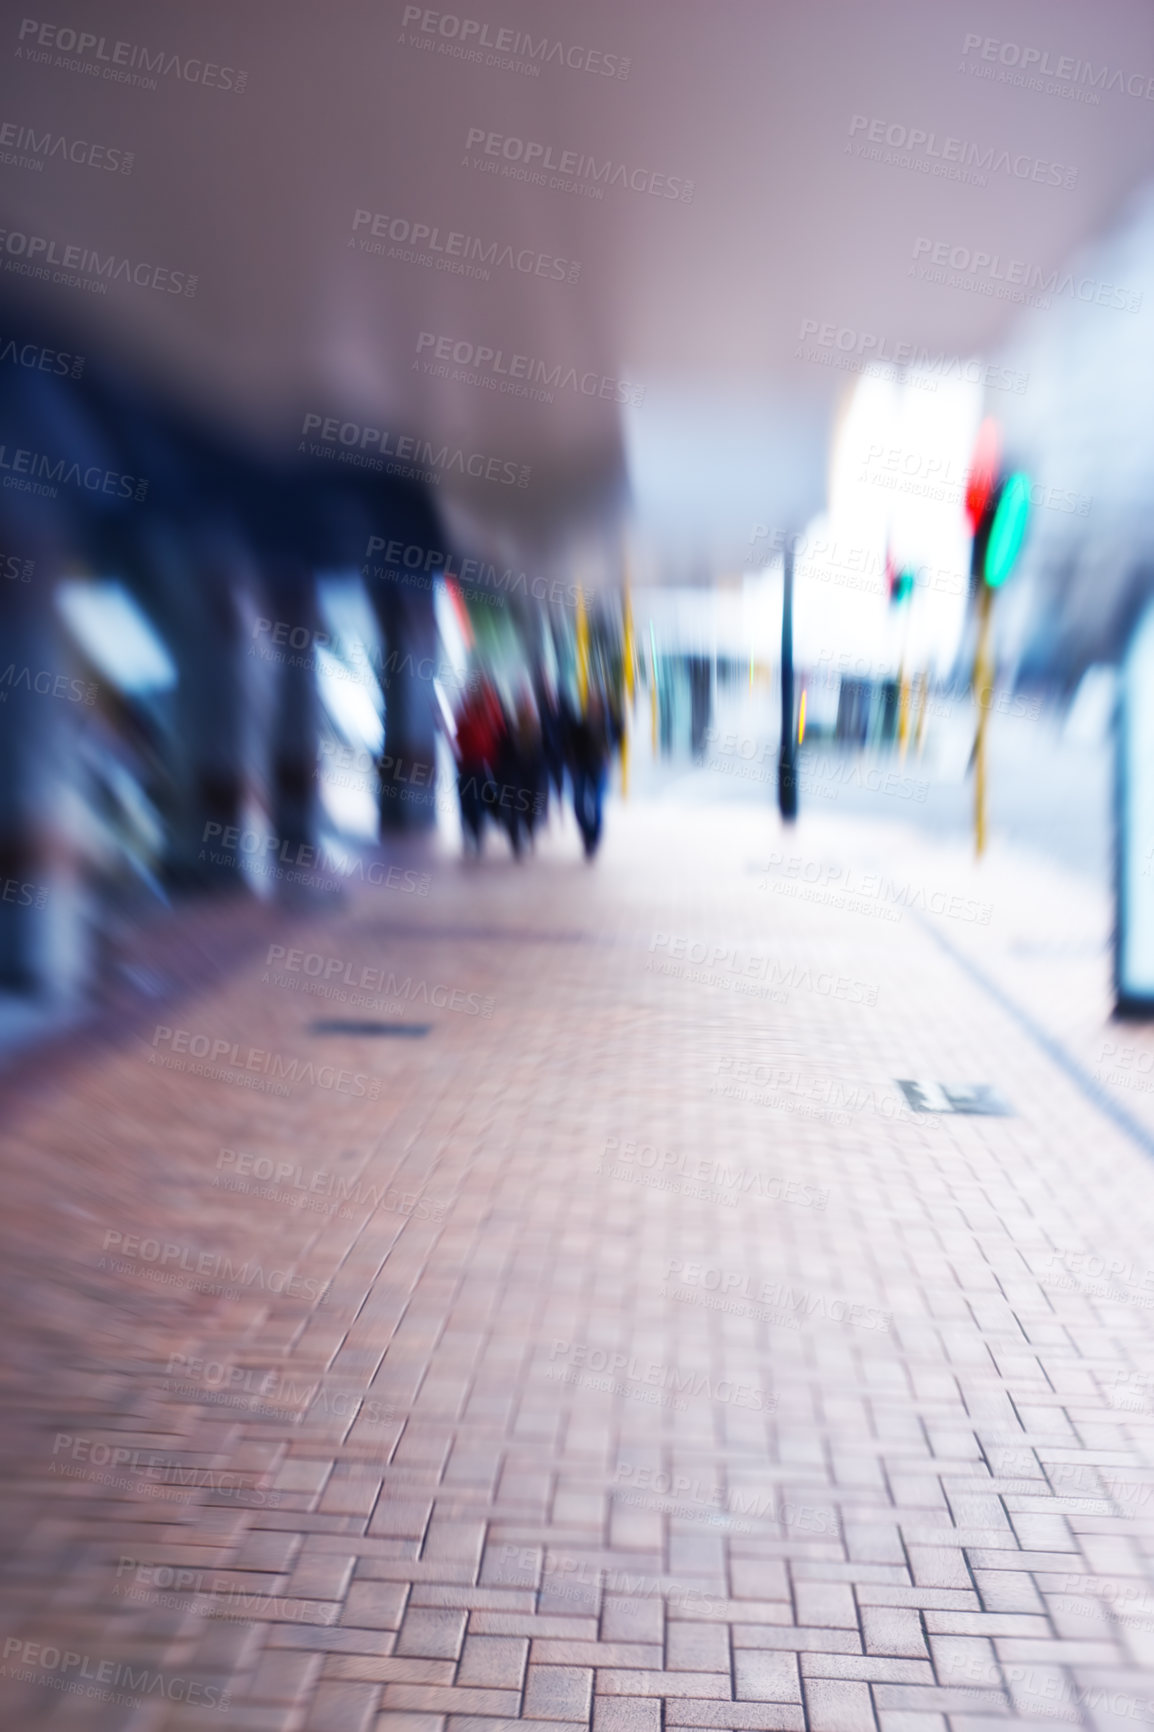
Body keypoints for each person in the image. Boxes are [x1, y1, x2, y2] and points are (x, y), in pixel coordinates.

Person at [452, 678, 504, 855]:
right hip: (469, 764)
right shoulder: (469, 712)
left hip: (480, 765)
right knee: (469, 801)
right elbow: (459, 735)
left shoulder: (488, 713)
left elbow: (497, 737)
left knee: (476, 801)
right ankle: (471, 831)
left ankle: (476, 832)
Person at [567, 690, 612, 858]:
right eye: (589, 702)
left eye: (595, 703)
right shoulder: (579, 724)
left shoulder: (606, 725)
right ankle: (587, 836)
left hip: (599, 768)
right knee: (578, 804)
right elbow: (571, 746)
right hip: (581, 768)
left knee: (597, 806)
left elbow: (610, 745)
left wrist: (607, 760)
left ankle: (595, 837)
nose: (592, 706)